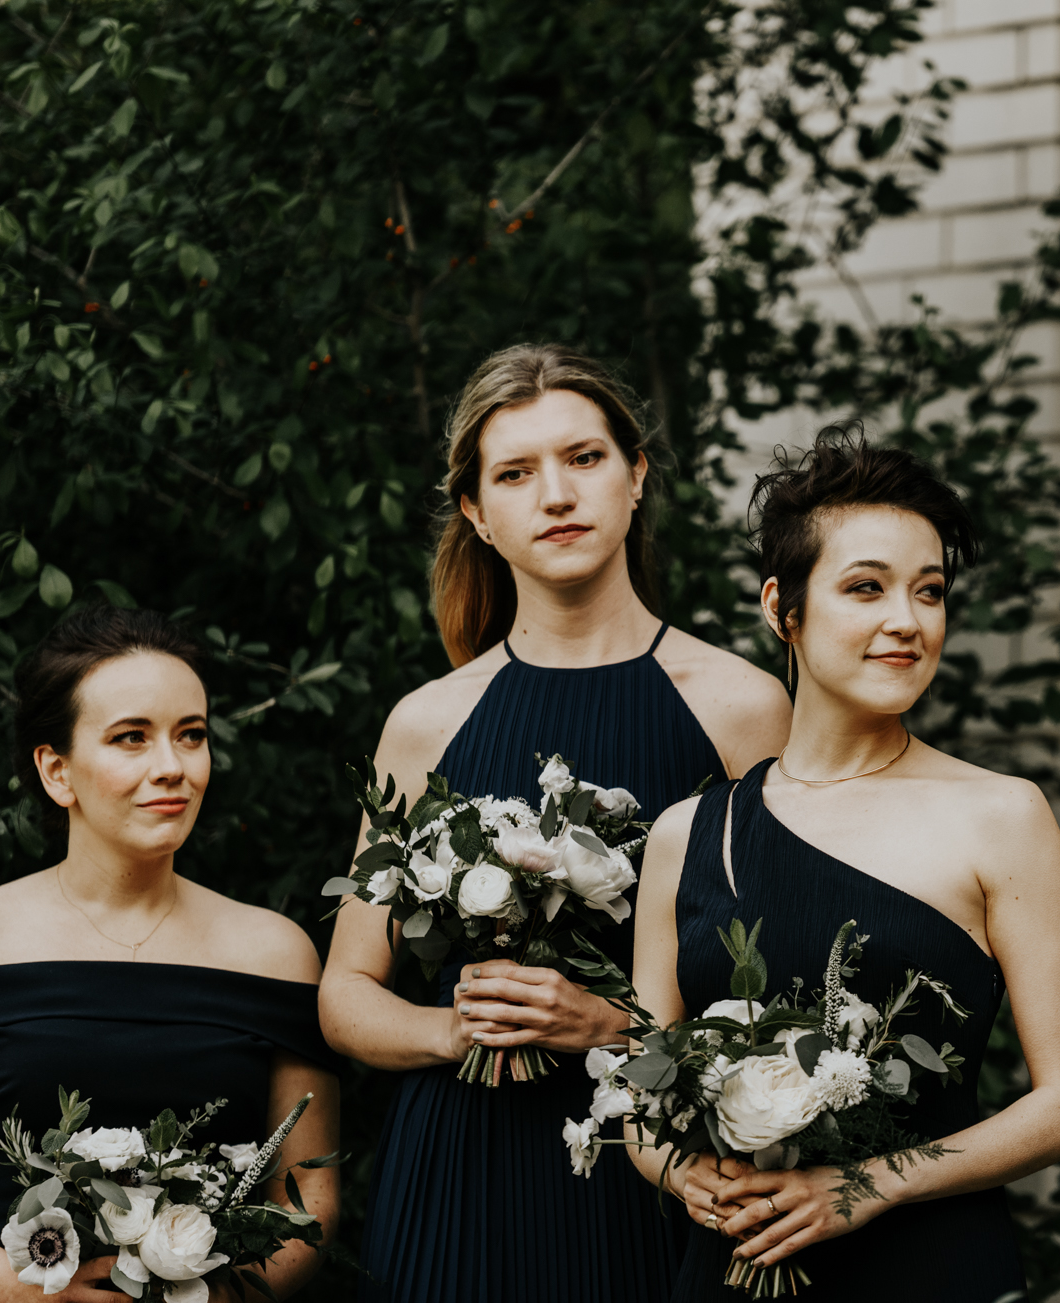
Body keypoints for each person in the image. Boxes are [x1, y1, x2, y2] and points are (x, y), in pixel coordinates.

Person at [319, 344, 791, 1302]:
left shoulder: (743, 707)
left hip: (656, 1166)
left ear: (637, 475)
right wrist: (452, 1029)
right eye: (516, 473)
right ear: (478, 514)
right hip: (457, 1165)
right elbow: (347, 992)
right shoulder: (426, 721)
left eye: (584, 458)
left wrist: (616, 1027)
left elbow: (783, 990)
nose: (557, 495)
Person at [625, 428, 1060, 1301]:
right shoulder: (686, 833)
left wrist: (864, 1185)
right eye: (865, 588)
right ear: (783, 608)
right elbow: (638, 1103)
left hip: (926, 1264)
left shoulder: (1001, 815)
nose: (907, 622)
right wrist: (684, 1174)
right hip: (734, 1262)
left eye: (930, 592)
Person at [0, 605, 339, 1303]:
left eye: (191, 735)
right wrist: (15, 1288)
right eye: (131, 738)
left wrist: (226, 1296)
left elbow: (309, 1195)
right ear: (57, 770)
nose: (172, 767)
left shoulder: (276, 952)